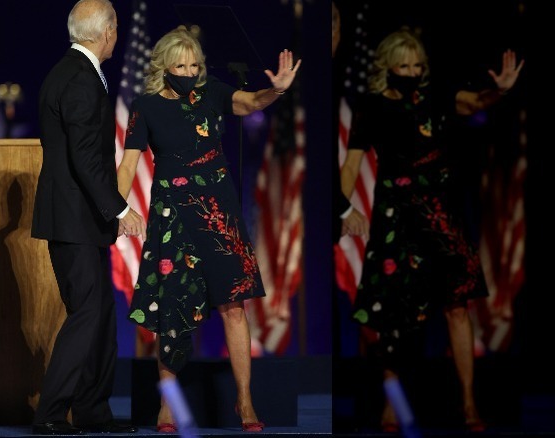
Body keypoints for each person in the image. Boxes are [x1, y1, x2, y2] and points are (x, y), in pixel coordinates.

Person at [117, 25, 300, 433]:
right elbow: (128, 165)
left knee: (234, 306)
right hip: (173, 217)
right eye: (180, 64)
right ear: (163, 66)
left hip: (219, 214)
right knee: (172, 312)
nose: (187, 70)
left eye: (194, 64)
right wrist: (118, 209)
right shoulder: (145, 106)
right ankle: (167, 406)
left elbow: (252, 102)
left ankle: (245, 401)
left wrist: (277, 91)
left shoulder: (213, 92)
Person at [340, 28, 523, 432]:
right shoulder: (372, 107)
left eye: (417, 65)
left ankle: (469, 404)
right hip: (397, 218)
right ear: (387, 66)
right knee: (392, 315)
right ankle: (392, 402)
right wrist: (343, 209)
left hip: (442, 215)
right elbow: (351, 166)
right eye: (403, 65)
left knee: (458, 307)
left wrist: (502, 91)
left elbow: (477, 100)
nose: (411, 71)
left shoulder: (435, 97)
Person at [30, 0, 145, 434]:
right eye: (115, 25)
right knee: (87, 314)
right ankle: (51, 413)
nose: (117, 33)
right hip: (76, 219)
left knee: (99, 315)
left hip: (81, 221)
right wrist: (120, 208)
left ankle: (93, 410)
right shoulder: (78, 79)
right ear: (107, 31)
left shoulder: (70, 72)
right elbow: (84, 158)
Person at [331, 1, 368, 244]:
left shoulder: (333, 79)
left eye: (335, 24)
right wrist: (342, 209)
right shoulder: (306, 81)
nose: (331, 35)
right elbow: (314, 159)